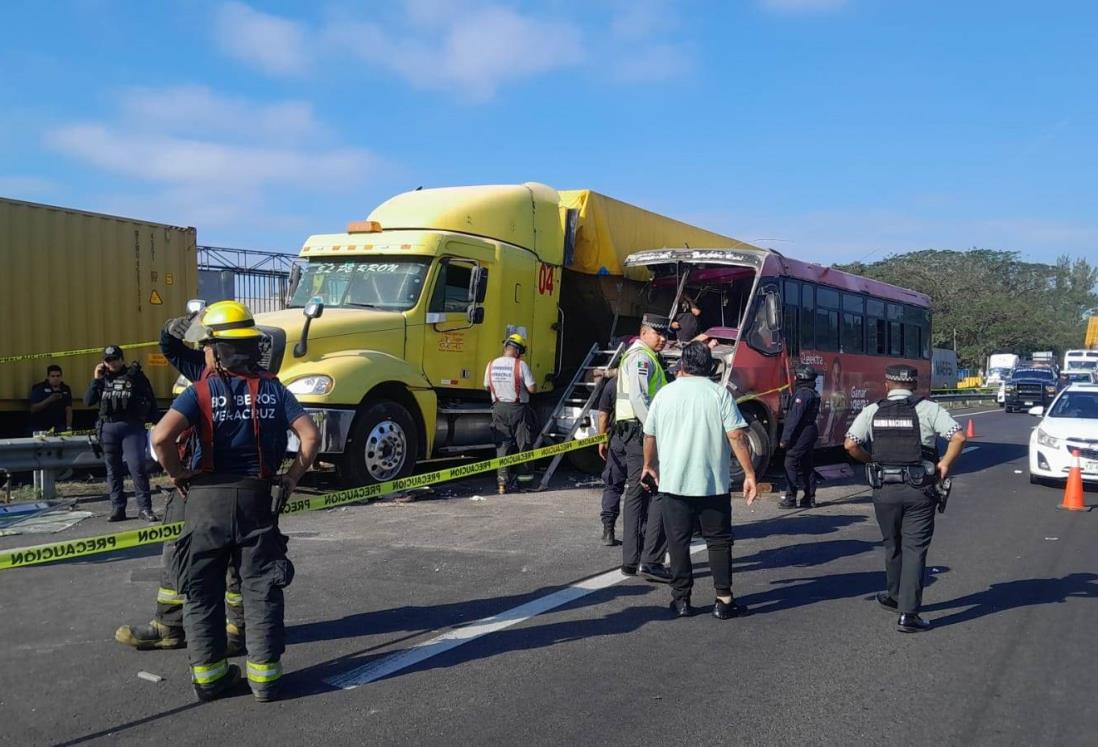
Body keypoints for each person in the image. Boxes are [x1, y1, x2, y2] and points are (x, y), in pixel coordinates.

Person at [151, 302, 320, 702]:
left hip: (205, 500)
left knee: (201, 591)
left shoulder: (201, 390)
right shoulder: (275, 390)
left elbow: (160, 438)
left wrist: (177, 473)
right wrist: (293, 476)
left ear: (217, 350)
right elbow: (311, 437)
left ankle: (209, 679)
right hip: (255, 498)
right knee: (260, 588)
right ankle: (265, 679)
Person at [115, 304, 245, 653]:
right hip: (191, 479)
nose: (201, 350)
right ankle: (169, 625)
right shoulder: (202, 371)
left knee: (234, 557)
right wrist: (183, 324)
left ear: (220, 348)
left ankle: (237, 629)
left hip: (225, 483)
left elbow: (160, 436)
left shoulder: (257, 382)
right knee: (175, 547)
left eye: (206, 344)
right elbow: (170, 346)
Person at [844, 364, 966, 634]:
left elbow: (851, 444)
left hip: (884, 489)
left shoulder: (873, 410)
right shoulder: (928, 408)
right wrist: (944, 464)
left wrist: (872, 460)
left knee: (892, 544)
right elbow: (958, 436)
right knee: (914, 548)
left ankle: (894, 595)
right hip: (919, 489)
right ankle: (908, 614)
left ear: (887, 384)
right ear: (915, 384)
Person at [642, 341, 758, 618]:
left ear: (682, 364)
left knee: (678, 541)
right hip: (712, 484)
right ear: (709, 367)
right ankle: (724, 600)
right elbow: (736, 436)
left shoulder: (664, 395)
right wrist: (750, 474)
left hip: (673, 484)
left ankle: (681, 600)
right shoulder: (719, 394)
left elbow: (650, 435)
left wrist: (648, 465)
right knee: (718, 541)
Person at [614, 313, 672, 583]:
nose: (663, 339)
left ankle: (631, 561)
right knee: (658, 492)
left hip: (634, 433)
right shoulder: (641, 357)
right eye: (658, 334)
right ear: (644, 332)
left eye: (666, 335)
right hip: (642, 434)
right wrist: (654, 432)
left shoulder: (643, 355)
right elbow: (639, 399)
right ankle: (651, 561)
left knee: (638, 494)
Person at [84, 345, 158, 522]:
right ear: (104, 362)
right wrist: (96, 379)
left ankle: (145, 508)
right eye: (108, 360)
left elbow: (150, 400)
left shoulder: (134, 375)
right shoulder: (102, 378)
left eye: (116, 359)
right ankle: (118, 508)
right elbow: (88, 401)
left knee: (137, 468)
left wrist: (154, 422)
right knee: (113, 471)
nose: (113, 363)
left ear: (122, 359)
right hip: (108, 429)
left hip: (131, 427)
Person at [484, 333, 537, 494]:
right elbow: (532, 389)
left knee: (502, 446)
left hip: (498, 408)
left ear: (506, 347)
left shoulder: (491, 364)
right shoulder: (521, 365)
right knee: (524, 445)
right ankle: (524, 484)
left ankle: (502, 484)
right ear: (518, 351)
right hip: (518, 409)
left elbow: (486, 386)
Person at [779, 364, 820, 509]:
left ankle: (790, 498)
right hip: (810, 430)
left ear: (801, 377)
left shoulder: (802, 394)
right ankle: (809, 497)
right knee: (806, 463)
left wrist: (785, 439)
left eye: (796, 376)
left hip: (802, 431)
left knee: (790, 462)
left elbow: (794, 419)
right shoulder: (812, 392)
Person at [595, 372, 624, 546]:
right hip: (643, 442)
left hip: (617, 440)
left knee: (612, 485)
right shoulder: (648, 380)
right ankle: (639, 536)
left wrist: (602, 440)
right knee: (641, 490)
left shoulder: (612, 384)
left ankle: (608, 531)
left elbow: (603, 415)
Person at [27, 364, 73, 435]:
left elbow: (68, 409)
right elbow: (33, 409)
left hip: (59, 427)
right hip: (40, 427)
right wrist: (49, 400)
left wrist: (69, 427)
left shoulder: (65, 389)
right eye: (53, 376)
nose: (56, 378)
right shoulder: (39, 388)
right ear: (48, 377)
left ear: (61, 377)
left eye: (58, 376)